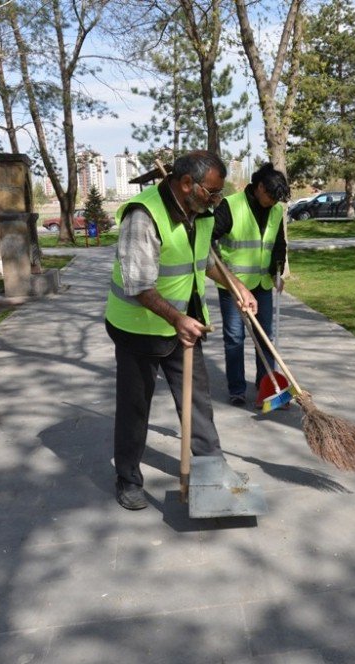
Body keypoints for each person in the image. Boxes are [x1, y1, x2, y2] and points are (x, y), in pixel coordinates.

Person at [105, 150, 258, 511]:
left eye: (220, 193)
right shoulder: (143, 217)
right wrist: (175, 319)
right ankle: (127, 478)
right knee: (135, 408)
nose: (217, 200)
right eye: (212, 192)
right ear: (186, 183)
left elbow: (204, 260)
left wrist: (238, 286)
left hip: (184, 325)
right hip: (137, 328)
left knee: (197, 405)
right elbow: (139, 285)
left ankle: (213, 475)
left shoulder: (201, 213)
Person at [211, 162, 289, 407]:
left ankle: (268, 388)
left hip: (262, 284)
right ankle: (236, 389)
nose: (273, 203)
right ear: (258, 187)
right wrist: (223, 272)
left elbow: (278, 243)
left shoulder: (276, 210)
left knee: (265, 337)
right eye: (270, 197)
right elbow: (208, 241)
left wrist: (278, 270)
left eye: (277, 199)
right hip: (233, 286)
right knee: (235, 338)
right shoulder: (230, 206)